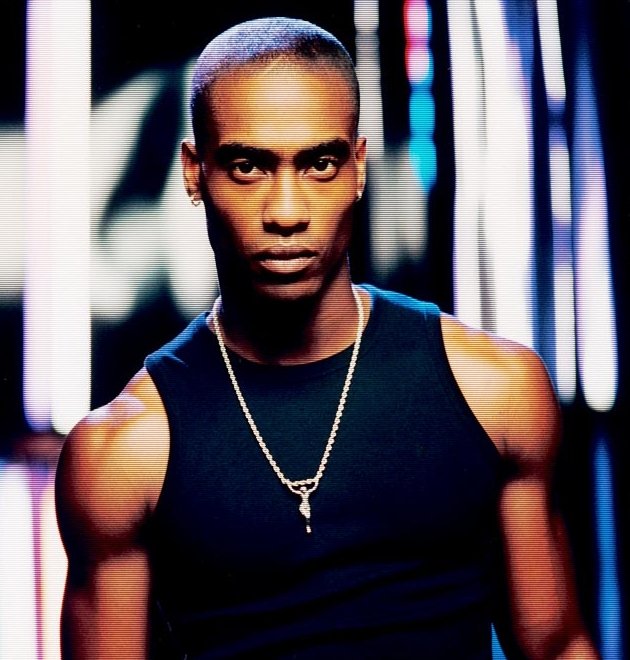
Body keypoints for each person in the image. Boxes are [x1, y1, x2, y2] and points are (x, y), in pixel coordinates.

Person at [55, 16, 600, 660]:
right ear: (195, 174)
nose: (286, 212)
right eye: (248, 166)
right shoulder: (122, 453)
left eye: (319, 164)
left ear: (358, 168)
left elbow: (558, 646)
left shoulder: (496, 390)